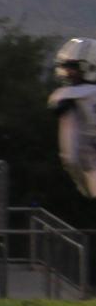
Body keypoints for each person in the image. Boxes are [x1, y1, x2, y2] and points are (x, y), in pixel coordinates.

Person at [51, 38, 95, 199]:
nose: (69, 73)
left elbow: (70, 158)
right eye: (68, 68)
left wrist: (83, 185)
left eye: (74, 68)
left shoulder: (68, 97)